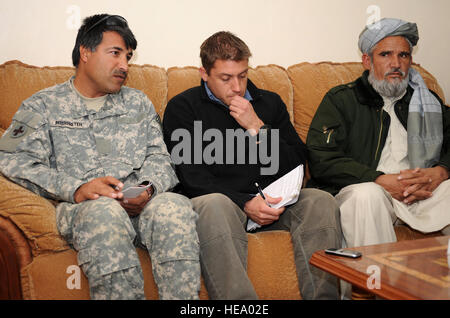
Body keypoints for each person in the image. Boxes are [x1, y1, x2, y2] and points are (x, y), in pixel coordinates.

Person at [0, 14, 200, 300]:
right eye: (115, 54)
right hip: (87, 210)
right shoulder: (42, 105)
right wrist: (77, 189)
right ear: (85, 52)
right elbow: (9, 158)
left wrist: (148, 187)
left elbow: (161, 158)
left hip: (141, 205)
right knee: (104, 212)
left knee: (174, 206)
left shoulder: (138, 103)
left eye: (128, 57)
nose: (124, 66)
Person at [163, 31, 342, 300]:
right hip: (224, 206)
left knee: (320, 200)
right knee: (214, 204)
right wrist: (245, 202)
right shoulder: (183, 108)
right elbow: (189, 175)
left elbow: (297, 162)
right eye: (226, 78)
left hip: (275, 203)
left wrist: (258, 127)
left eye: (243, 75)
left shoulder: (268, 103)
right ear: (204, 73)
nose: (237, 87)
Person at [306, 18, 450, 248]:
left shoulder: (426, 100)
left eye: (403, 55)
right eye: (386, 55)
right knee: (366, 196)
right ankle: (374, 282)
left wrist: (440, 173)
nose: (396, 63)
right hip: (372, 191)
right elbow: (322, 157)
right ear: (367, 60)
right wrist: (378, 179)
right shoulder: (342, 100)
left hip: (422, 191)